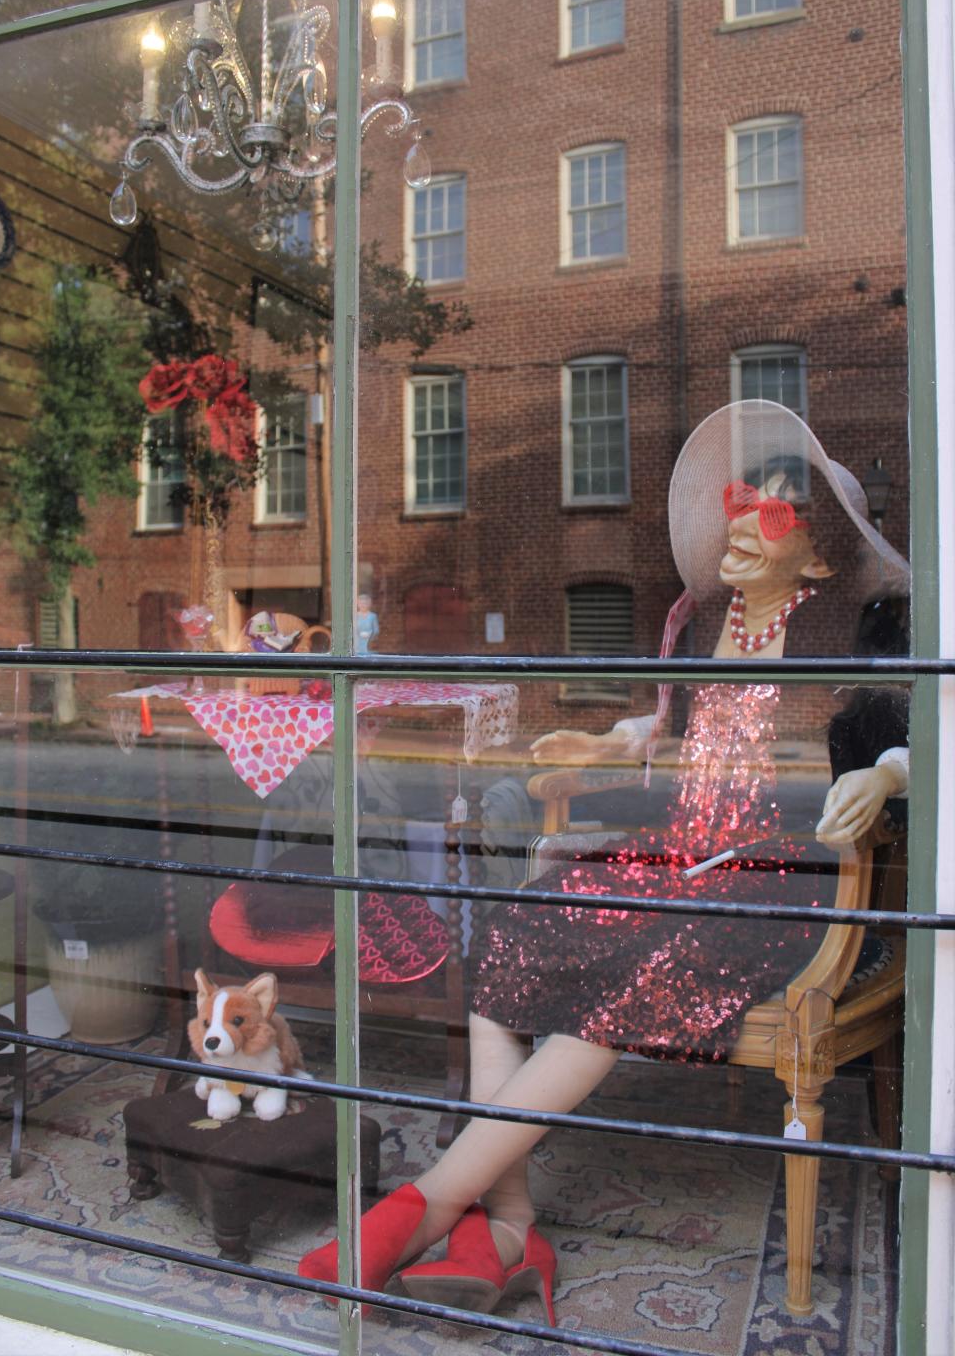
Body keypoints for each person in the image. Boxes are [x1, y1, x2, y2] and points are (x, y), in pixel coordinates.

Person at [298, 400, 910, 1321]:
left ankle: (423, 1210)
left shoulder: (850, 645)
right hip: (676, 865)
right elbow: (662, 726)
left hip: (784, 885)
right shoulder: (702, 619)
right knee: (513, 934)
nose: (744, 519)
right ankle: (507, 1224)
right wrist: (607, 743)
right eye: (745, 496)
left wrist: (889, 773)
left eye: (777, 511)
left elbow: (932, 736)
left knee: (626, 972)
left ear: (819, 554)